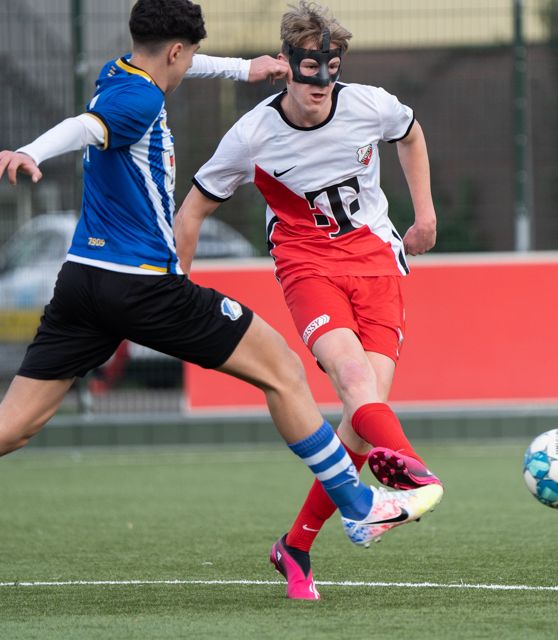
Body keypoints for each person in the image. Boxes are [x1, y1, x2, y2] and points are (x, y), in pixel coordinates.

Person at [0, 0, 443, 600]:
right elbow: (86, 129)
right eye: (192, 55)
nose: (192, 64)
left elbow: (157, 79)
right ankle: (360, 505)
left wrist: (238, 68)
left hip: (80, 281)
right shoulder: (142, 99)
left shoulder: (119, 72)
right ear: (175, 50)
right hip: (143, 284)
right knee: (282, 370)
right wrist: (30, 152)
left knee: (12, 424)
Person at [175, 1, 442, 600]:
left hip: (377, 264)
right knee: (352, 381)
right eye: (307, 73)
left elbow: (411, 132)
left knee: (361, 416)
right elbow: (191, 210)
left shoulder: (368, 103)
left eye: (331, 73)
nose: (320, 86)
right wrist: (176, 286)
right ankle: (414, 475)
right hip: (307, 267)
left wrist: (424, 216)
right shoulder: (252, 135)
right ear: (285, 67)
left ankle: (295, 546)